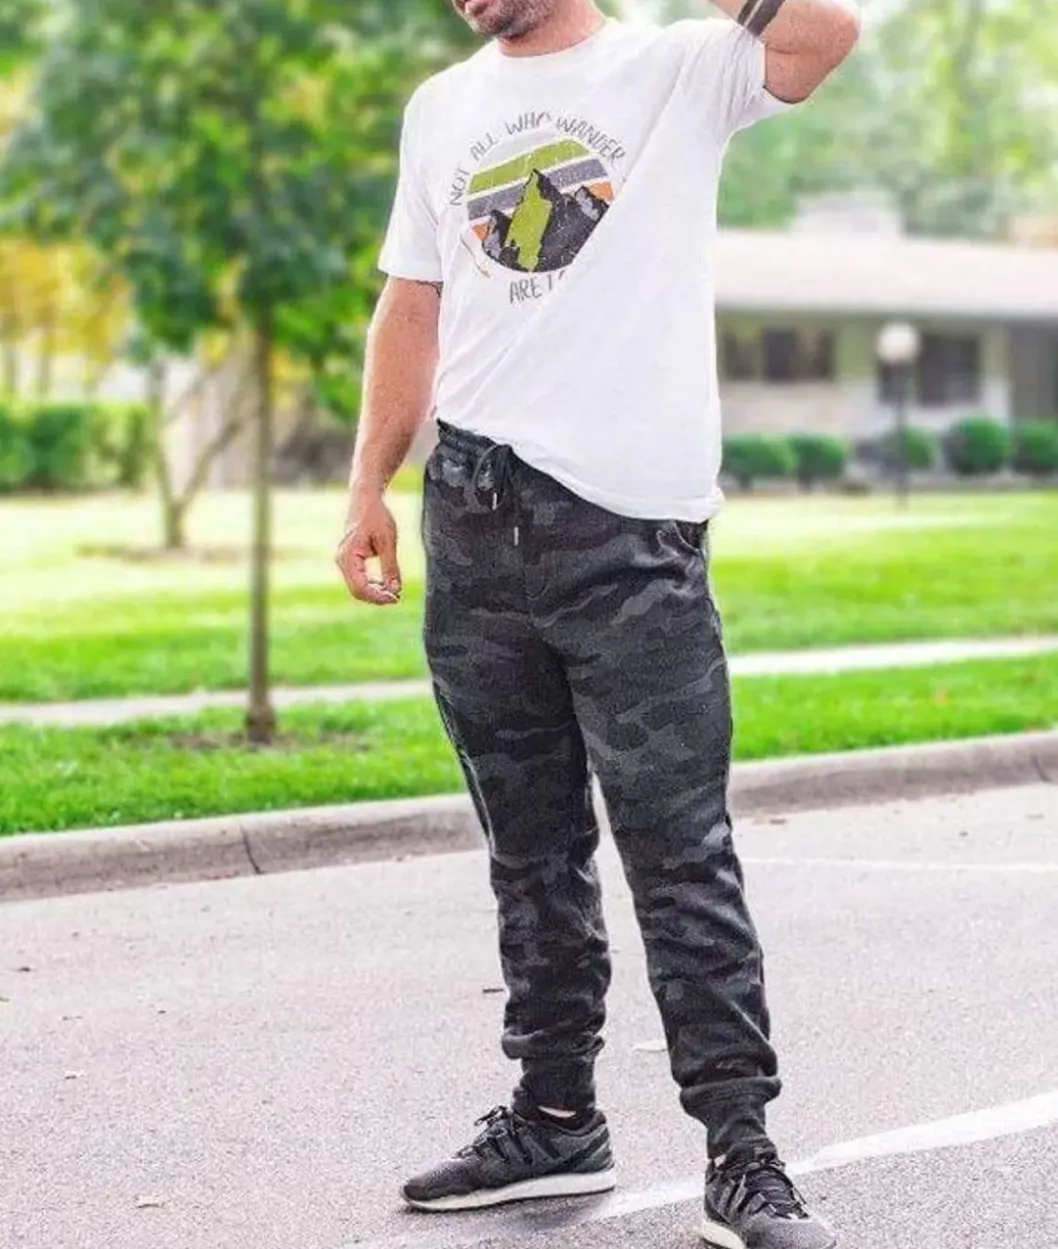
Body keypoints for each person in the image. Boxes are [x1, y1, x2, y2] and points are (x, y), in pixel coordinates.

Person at [336, 0, 859, 1244]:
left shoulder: (679, 67)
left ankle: (739, 1149)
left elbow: (825, 34)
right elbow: (413, 301)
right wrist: (367, 485)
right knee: (528, 849)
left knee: (677, 854)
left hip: (627, 536)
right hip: (473, 515)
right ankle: (554, 1115)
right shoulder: (441, 107)